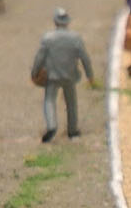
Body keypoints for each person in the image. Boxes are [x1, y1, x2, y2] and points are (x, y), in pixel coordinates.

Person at [30, 8, 95, 143]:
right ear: (67, 22)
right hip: (70, 76)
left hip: (52, 76)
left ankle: (52, 125)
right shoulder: (75, 38)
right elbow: (85, 58)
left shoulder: (48, 38)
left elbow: (39, 58)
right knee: (71, 102)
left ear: (55, 22)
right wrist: (90, 75)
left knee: (49, 100)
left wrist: (34, 72)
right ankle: (72, 130)